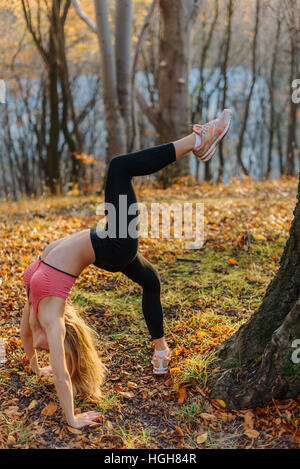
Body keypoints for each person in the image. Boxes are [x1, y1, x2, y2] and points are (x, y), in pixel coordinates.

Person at [20, 109, 232, 428]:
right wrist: (72, 418)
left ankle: (161, 353)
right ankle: (198, 140)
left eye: (44, 354)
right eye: (51, 353)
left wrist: (35, 367)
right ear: (62, 345)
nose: (42, 350)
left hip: (108, 245)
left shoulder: (35, 305)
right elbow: (62, 377)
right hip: (114, 244)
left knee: (151, 282)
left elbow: (25, 335)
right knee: (120, 167)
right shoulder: (52, 321)